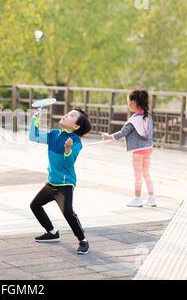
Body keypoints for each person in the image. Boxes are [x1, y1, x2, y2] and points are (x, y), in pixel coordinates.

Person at [29, 107, 92, 254]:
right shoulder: (53, 134)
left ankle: (83, 240)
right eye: (68, 113)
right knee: (35, 205)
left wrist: (68, 149)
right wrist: (35, 119)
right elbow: (34, 136)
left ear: (76, 126)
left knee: (68, 213)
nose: (66, 115)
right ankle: (52, 232)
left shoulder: (76, 142)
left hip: (65, 185)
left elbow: (68, 163)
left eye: (71, 115)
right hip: (51, 183)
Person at [101, 89, 156, 207]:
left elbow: (122, 133)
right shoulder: (148, 117)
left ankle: (137, 198)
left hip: (138, 151)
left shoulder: (134, 120)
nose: (128, 105)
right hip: (148, 149)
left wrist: (109, 137)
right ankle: (152, 198)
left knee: (137, 175)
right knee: (146, 173)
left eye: (129, 102)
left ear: (133, 103)